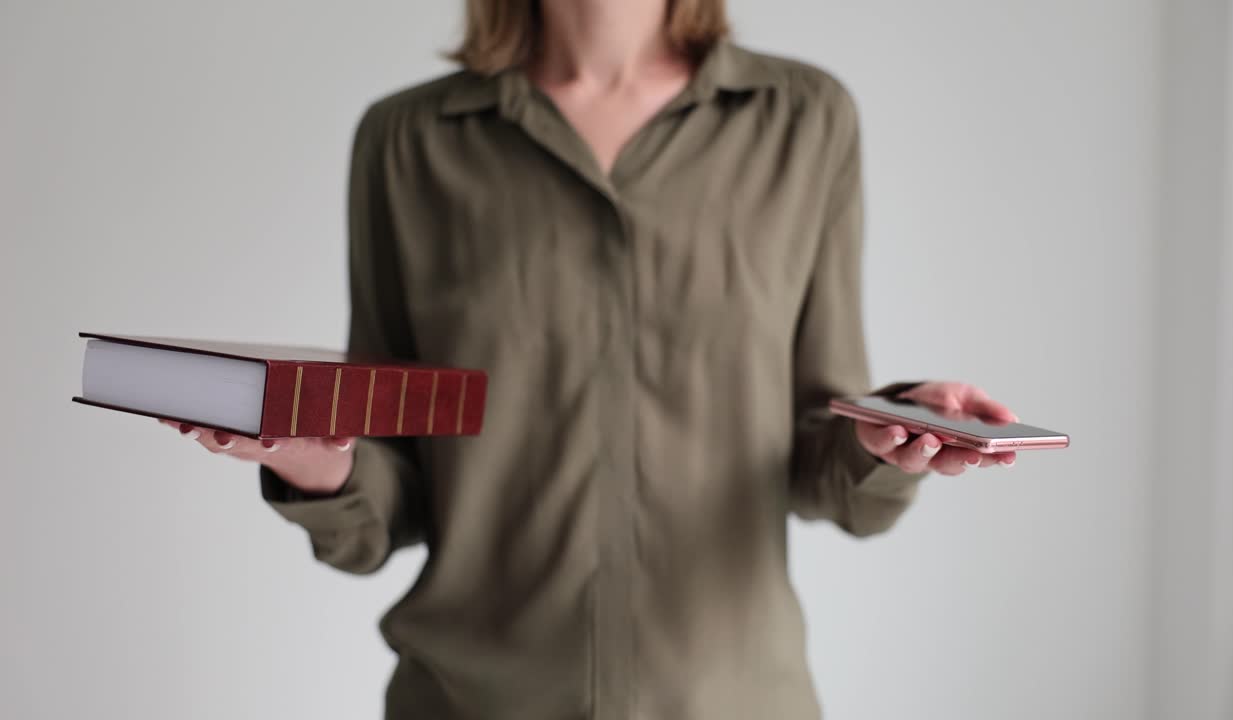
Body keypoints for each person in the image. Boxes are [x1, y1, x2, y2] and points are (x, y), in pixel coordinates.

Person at [162, 0, 1019, 717]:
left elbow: (825, 468)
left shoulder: (803, 120)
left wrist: (892, 432)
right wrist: (320, 464)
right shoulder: (407, 141)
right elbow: (392, 491)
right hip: (469, 701)